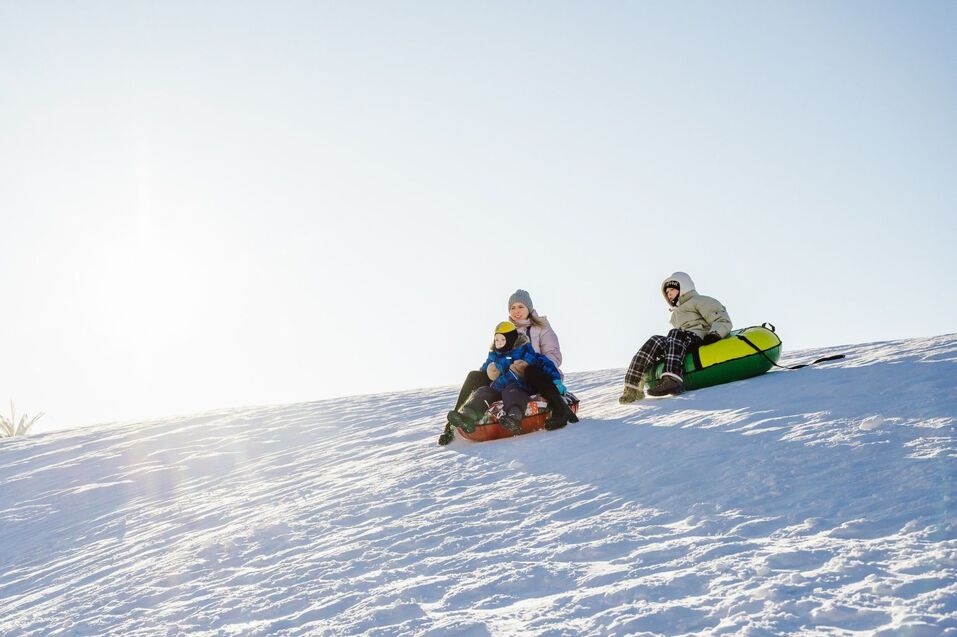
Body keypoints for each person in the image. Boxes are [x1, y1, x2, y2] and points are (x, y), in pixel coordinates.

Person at [437, 290, 578, 445]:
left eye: (521, 307)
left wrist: (528, 363)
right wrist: (491, 370)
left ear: (529, 308)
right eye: (512, 308)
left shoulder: (541, 328)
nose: (516, 311)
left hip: (536, 376)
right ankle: (452, 424)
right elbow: (494, 357)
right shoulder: (505, 331)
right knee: (474, 376)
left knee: (530, 370)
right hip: (507, 377)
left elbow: (554, 357)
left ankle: (559, 408)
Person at [619, 272, 732, 402]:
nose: (669, 294)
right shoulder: (676, 313)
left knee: (675, 332)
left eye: (672, 289)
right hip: (680, 342)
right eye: (667, 292)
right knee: (655, 340)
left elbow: (722, 319)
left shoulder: (701, 301)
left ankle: (672, 380)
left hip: (699, 338)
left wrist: (714, 334)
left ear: (683, 287)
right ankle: (632, 388)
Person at [447, 321, 565, 436]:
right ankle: (468, 418)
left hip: (519, 386)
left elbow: (545, 364)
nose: (499, 342)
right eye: (496, 339)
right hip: (497, 387)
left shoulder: (523, 350)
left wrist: (556, 381)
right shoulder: (494, 354)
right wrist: (488, 371)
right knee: (483, 391)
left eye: (503, 339)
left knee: (511, 392)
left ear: (511, 339)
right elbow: (484, 369)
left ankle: (514, 418)